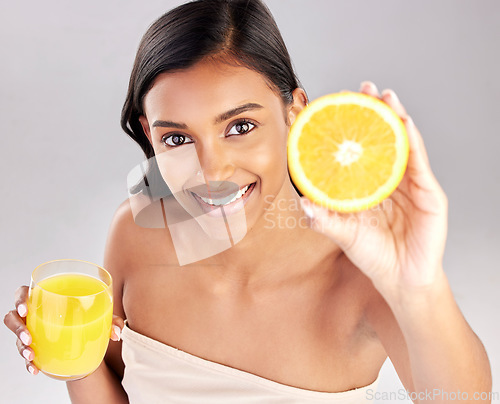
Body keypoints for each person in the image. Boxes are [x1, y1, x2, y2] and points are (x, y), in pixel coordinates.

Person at [4, 0, 492, 403]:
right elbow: (113, 384)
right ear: (151, 136)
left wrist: (418, 285)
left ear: (295, 112)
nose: (212, 171)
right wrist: (72, 356)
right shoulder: (135, 228)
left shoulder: (363, 273)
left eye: (239, 127)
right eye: (177, 139)